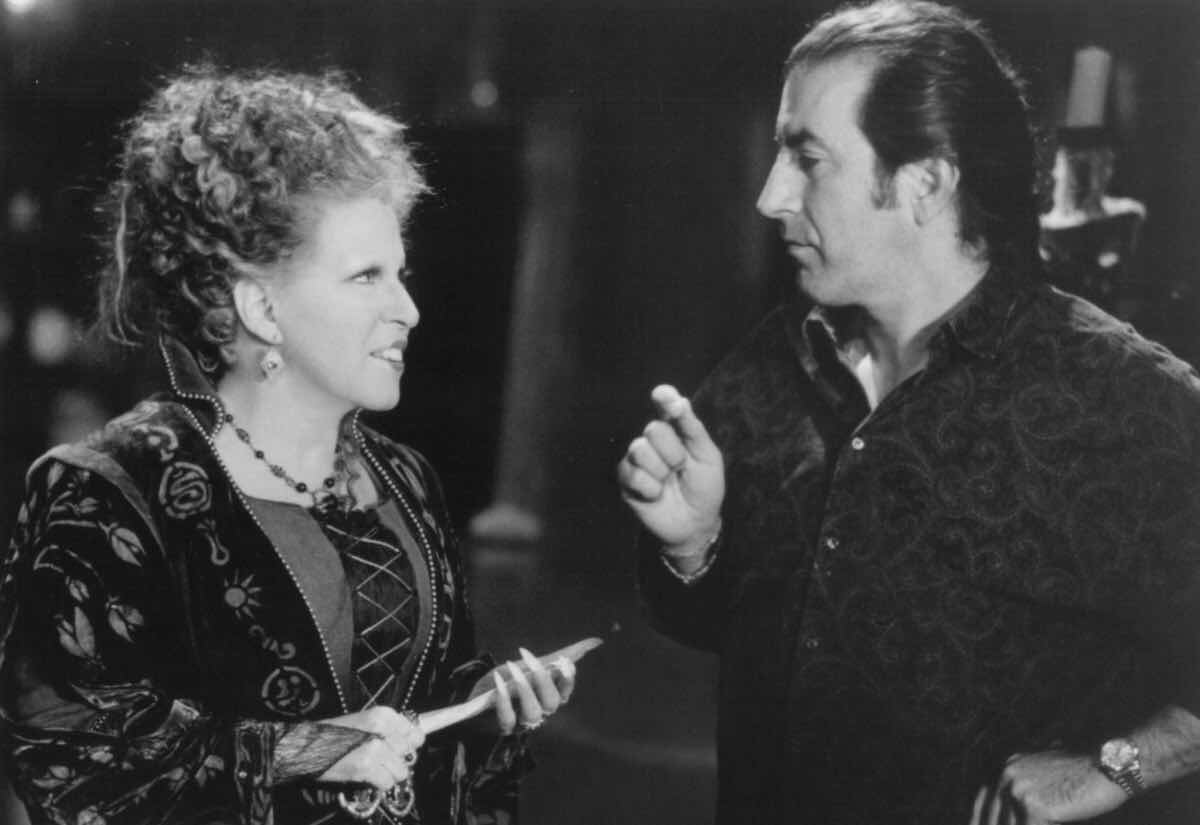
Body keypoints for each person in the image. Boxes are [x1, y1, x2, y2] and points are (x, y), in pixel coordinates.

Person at [617, 2, 1200, 823]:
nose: (771, 196)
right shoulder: (768, 366)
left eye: (807, 158)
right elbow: (712, 624)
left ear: (926, 182)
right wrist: (692, 545)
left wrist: (1116, 767)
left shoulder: (1122, 400)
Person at [0, 66, 574, 825]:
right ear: (261, 308)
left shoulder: (404, 479)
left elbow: (415, 708)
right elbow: (73, 756)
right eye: (366, 276)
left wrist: (478, 712)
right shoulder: (110, 488)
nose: (407, 309)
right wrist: (303, 750)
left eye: (400, 273)